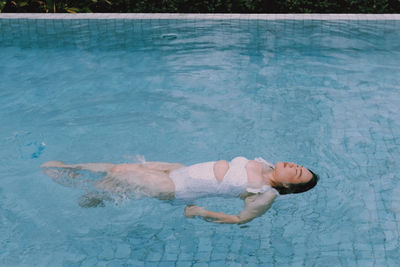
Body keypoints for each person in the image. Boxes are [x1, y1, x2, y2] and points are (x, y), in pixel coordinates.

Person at [41, 156, 318, 224]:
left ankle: (70, 176)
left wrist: (201, 212)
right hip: (179, 170)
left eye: (295, 172)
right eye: (297, 165)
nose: (293, 165)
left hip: (175, 188)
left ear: (286, 186)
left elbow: (241, 219)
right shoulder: (265, 163)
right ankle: (92, 195)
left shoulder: (265, 194)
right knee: (122, 168)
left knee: (119, 173)